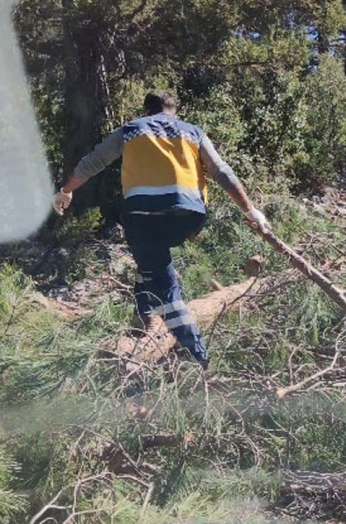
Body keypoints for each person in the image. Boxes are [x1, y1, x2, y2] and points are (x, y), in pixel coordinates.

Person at [52, 91, 270, 370]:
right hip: (189, 218)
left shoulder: (131, 130)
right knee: (151, 262)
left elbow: (93, 162)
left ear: (146, 111)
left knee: (165, 287)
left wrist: (66, 191)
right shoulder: (194, 132)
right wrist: (251, 211)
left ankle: (198, 358)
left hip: (143, 216)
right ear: (173, 111)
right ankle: (143, 316)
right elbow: (222, 172)